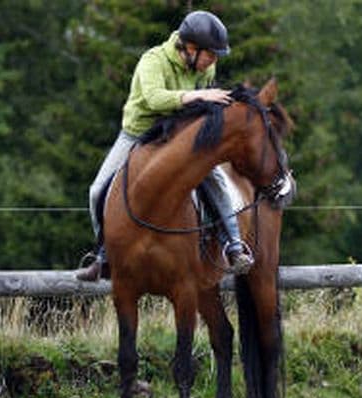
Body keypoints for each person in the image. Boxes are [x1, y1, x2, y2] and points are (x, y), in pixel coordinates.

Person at [75, 10, 254, 281]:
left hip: (178, 137)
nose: (214, 62)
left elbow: (205, 103)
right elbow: (155, 99)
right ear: (191, 49)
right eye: (211, 54)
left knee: (214, 177)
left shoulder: (206, 66)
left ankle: (234, 246)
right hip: (140, 135)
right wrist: (199, 94)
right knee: (98, 190)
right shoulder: (153, 61)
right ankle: (105, 254)